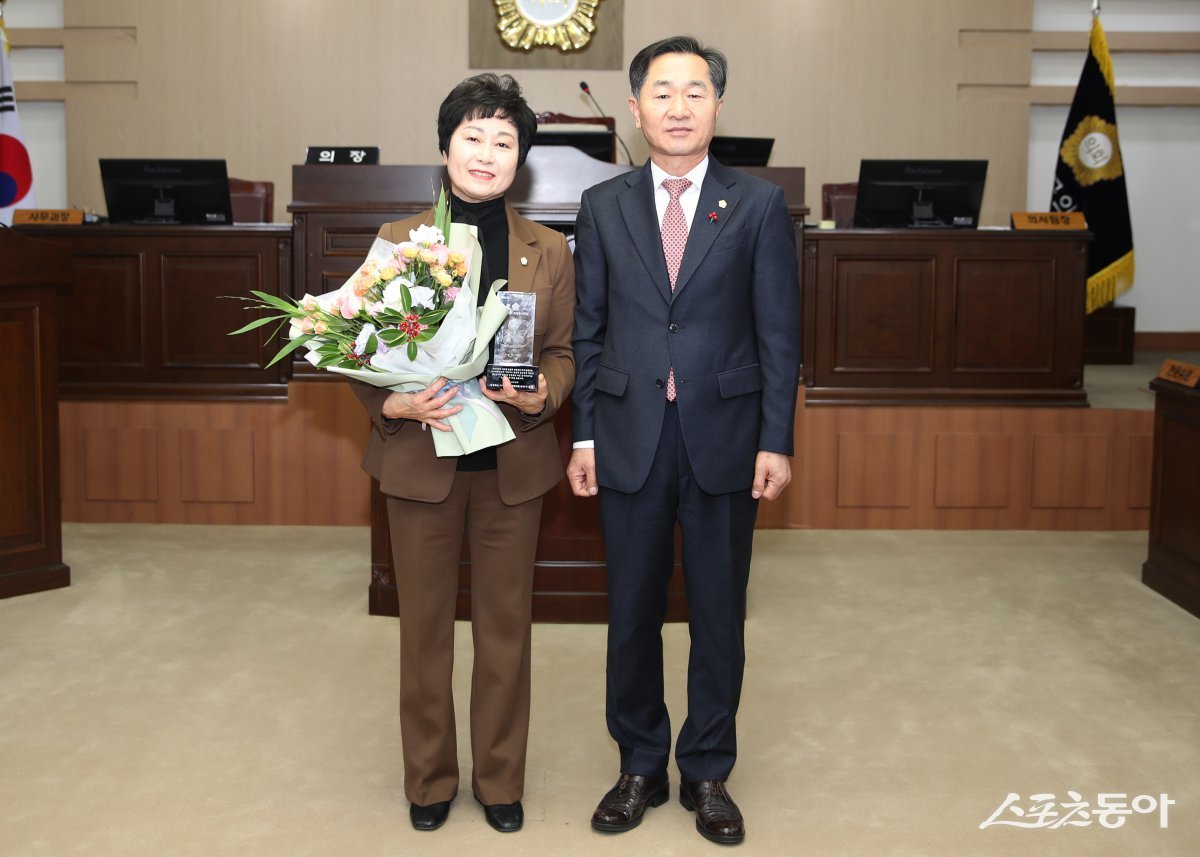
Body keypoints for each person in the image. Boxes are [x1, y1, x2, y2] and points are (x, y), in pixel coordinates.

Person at [567, 36, 801, 846]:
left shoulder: (759, 204)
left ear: (718, 105)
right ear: (635, 109)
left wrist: (778, 437)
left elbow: (780, 334)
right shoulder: (603, 206)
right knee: (630, 610)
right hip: (628, 432)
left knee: (718, 612)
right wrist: (585, 437)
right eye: (661, 92)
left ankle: (707, 768)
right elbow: (587, 330)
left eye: (693, 91)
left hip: (727, 437)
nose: (677, 105)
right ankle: (639, 761)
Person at [352, 73, 575, 834]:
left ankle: (501, 777)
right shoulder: (396, 242)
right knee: (423, 632)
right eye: (473, 137)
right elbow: (356, 349)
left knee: (507, 631)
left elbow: (565, 351)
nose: (487, 154)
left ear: (522, 158)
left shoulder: (548, 249)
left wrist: (540, 391)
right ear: (446, 145)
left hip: (512, 466)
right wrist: (393, 401)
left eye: (504, 141)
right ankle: (429, 780)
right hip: (422, 462)